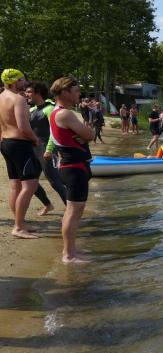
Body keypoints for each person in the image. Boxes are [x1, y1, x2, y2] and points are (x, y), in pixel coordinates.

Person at [49, 77, 95, 263]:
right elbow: (90, 134)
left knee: (74, 210)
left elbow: (86, 135)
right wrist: (86, 134)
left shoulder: (58, 112)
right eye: (76, 91)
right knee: (73, 211)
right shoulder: (64, 114)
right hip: (73, 168)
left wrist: (85, 135)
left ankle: (71, 250)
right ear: (64, 92)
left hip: (73, 167)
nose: (79, 94)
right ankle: (68, 254)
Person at [0, 69, 42, 239]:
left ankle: (20, 222)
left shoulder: (1, 97)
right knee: (30, 186)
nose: (25, 83)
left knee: (15, 186)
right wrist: (35, 139)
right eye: (22, 80)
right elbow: (23, 126)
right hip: (19, 144)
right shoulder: (18, 99)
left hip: (6, 143)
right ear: (13, 82)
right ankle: (18, 227)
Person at [26, 81, 67, 214]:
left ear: (38, 93)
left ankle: (71, 209)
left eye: (29, 92)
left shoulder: (49, 109)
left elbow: (55, 131)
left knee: (55, 182)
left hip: (47, 149)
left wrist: (49, 150)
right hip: (33, 150)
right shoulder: (31, 110)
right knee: (30, 182)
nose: (26, 94)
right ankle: (48, 205)